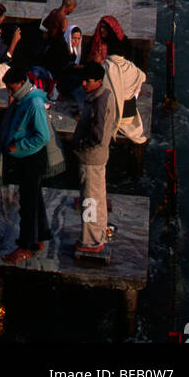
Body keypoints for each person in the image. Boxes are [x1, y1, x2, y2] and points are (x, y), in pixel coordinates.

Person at [0, 65, 52, 263]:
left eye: (12, 89)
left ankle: (25, 245)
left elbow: (43, 136)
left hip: (32, 159)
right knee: (35, 198)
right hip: (26, 158)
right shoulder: (25, 98)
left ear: (22, 84)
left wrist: (18, 145)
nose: (10, 93)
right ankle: (40, 236)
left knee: (28, 204)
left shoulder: (34, 104)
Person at [71, 62, 117, 256]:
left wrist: (80, 145)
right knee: (98, 197)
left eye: (87, 81)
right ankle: (100, 233)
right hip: (97, 158)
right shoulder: (104, 95)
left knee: (89, 201)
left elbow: (97, 136)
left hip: (91, 158)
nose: (83, 84)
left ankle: (90, 241)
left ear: (98, 81)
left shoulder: (100, 101)